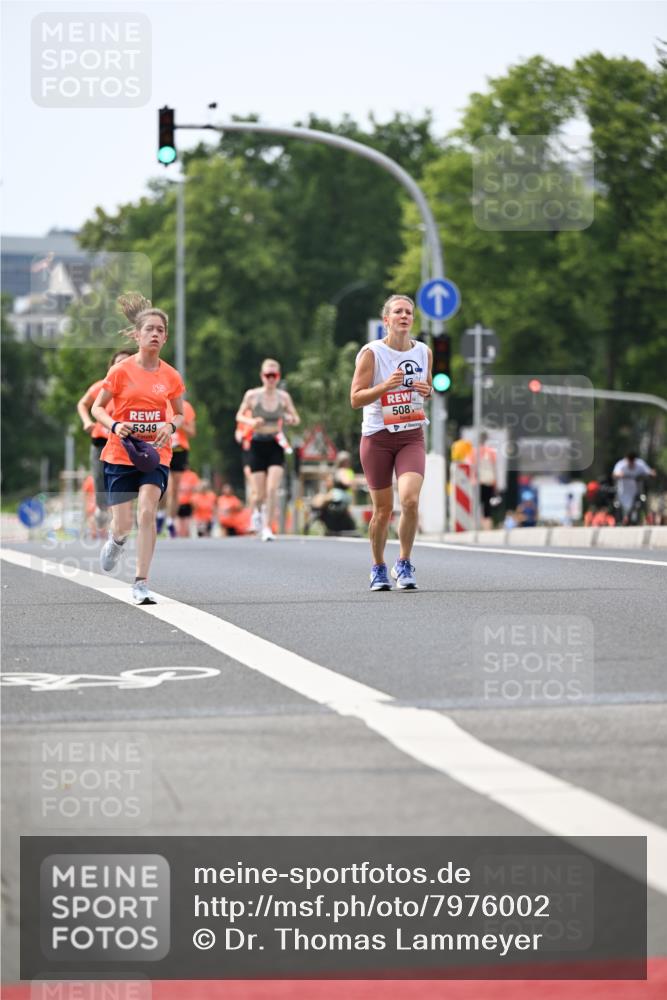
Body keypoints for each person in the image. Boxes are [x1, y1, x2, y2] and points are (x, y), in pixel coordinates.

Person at [91, 294, 185, 605]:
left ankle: (141, 582)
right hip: (120, 453)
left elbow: (180, 413)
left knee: (147, 512)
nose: (155, 334)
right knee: (124, 524)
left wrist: (170, 426)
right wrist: (115, 426)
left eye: (161, 330)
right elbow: (96, 409)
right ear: (138, 334)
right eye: (150, 329)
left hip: (155, 454)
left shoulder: (170, 376)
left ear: (166, 337)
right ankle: (116, 541)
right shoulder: (120, 371)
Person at [350, 294, 432, 590]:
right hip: (377, 438)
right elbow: (355, 398)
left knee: (410, 500)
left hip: (411, 434)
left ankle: (404, 562)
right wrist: (385, 386)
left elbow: (428, 388)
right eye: (398, 311)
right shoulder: (372, 353)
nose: (404, 316)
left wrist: (427, 389)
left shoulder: (423, 351)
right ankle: (378, 567)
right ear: (386, 320)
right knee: (382, 509)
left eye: (408, 312)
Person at [235, 359, 300, 541]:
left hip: (275, 443)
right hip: (257, 443)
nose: (271, 379)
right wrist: (252, 422)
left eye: (274, 375)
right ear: (262, 376)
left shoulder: (283, 397)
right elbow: (239, 415)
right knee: (259, 493)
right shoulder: (252, 395)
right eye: (267, 375)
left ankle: (267, 527)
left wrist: (289, 418)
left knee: (272, 489)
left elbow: (296, 418)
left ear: (278, 376)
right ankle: (256, 513)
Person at [76, 349, 133, 530]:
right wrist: (86, 422)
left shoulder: (137, 388)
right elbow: (83, 404)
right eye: (118, 362)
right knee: (100, 479)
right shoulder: (102, 386)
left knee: (124, 481)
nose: (122, 366)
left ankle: (124, 519)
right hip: (102, 440)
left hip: (126, 442)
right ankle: (101, 509)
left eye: (126, 362)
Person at [161, 398, 196, 536]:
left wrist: (179, 424)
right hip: (162, 447)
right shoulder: (159, 403)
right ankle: (160, 514)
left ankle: (170, 520)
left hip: (179, 450)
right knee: (163, 485)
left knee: (174, 488)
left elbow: (192, 432)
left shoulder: (186, 406)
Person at [612, 451, 656, 524]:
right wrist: (620, 475)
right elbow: (614, 474)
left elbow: (651, 472)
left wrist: (650, 474)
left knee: (642, 501)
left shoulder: (640, 464)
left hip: (636, 491)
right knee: (619, 505)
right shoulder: (621, 465)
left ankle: (647, 520)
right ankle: (621, 520)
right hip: (623, 491)